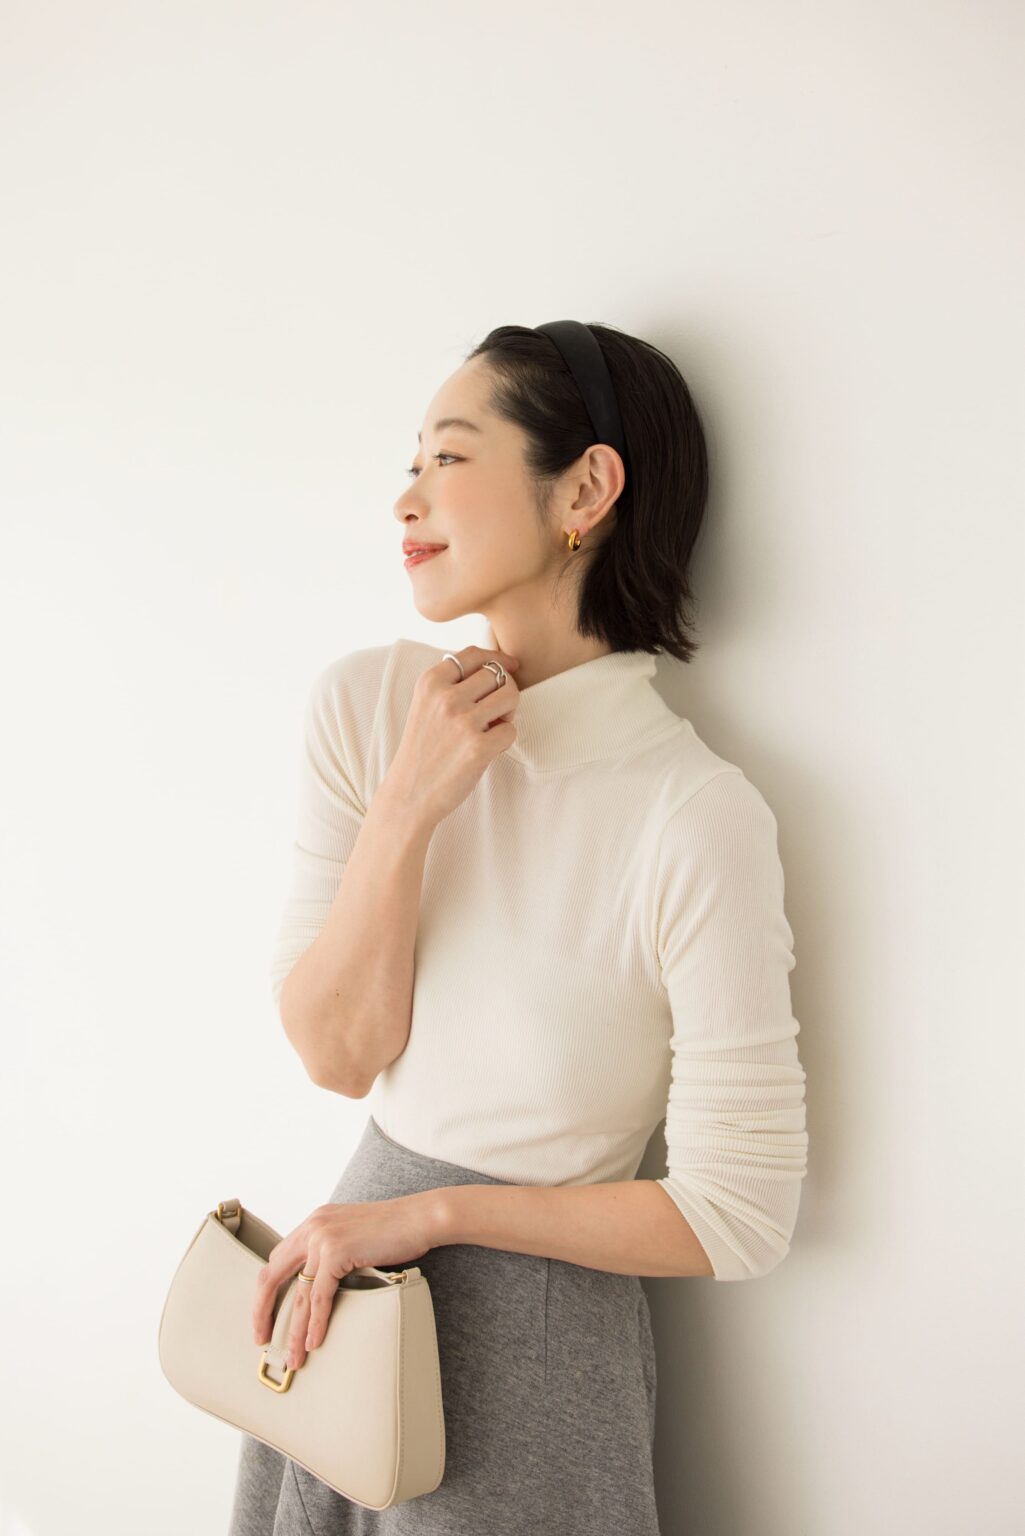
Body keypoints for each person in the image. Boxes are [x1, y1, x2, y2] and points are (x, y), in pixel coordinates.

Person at [227, 320, 809, 1535]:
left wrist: (431, 1215)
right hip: (342, 1310)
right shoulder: (368, 709)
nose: (406, 498)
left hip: (531, 1352)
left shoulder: (691, 816)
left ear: (585, 490)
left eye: (447, 457)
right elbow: (336, 1054)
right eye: (411, 462)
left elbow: (739, 1214)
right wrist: (407, 806)